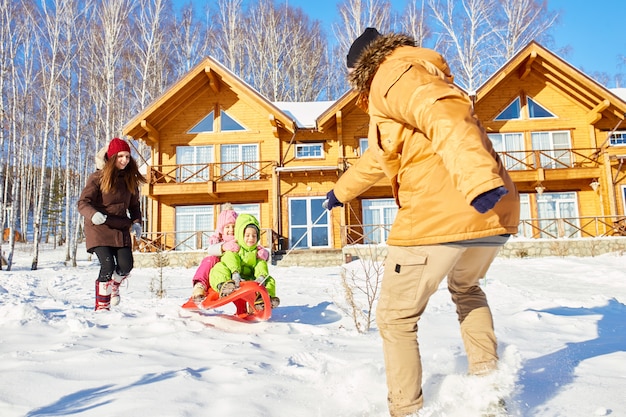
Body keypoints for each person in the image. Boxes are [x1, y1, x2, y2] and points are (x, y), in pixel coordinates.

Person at [325, 28, 520, 416]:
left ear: (360, 68)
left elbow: (443, 111)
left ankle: (406, 410)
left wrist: (477, 179)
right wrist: (341, 192)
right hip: (491, 216)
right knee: (467, 290)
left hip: (442, 213)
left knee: (395, 318)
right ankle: (487, 389)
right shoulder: (414, 73)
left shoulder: (391, 75)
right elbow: (375, 160)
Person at [78, 137, 146, 311]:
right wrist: (93, 215)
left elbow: (134, 206)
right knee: (107, 265)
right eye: (120, 156)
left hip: (120, 228)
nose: (124, 160)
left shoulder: (130, 180)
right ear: (111, 156)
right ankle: (102, 306)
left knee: (126, 266)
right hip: (99, 228)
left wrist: (137, 222)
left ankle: (114, 285)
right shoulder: (97, 178)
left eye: (127, 156)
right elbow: (83, 203)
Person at [190, 204, 269, 301]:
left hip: (240, 271)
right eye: (227, 227)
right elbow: (210, 250)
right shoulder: (218, 240)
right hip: (221, 271)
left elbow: (254, 249)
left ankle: (261, 298)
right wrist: (223, 247)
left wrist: (264, 254)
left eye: (234, 226)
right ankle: (201, 286)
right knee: (210, 260)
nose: (231, 229)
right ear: (221, 229)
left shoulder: (243, 240)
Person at [209, 213, 280, 310]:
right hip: (233, 278)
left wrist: (261, 276)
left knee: (270, 280)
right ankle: (223, 285)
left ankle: (264, 299)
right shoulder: (235, 247)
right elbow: (229, 258)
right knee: (218, 268)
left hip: (251, 279)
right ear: (241, 235)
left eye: (254, 235)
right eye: (247, 235)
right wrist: (235, 272)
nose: (251, 238)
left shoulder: (257, 252)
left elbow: (260, 264)